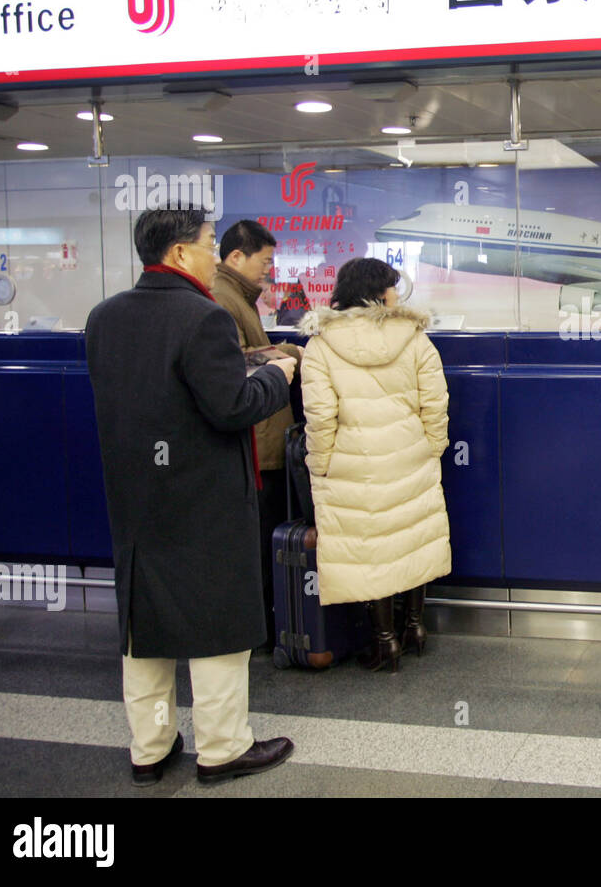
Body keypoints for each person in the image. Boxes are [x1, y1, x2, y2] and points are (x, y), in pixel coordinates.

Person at [85, 209, 297, 785]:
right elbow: (231, 408)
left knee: (145, 626)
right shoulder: (202, 317)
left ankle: (151, 746)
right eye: (206, 244)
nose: (212, 254)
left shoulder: (103, 318)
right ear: (179, 254)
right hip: (204, 498)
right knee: (218, 626)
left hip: (135, 496)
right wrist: (277, 375)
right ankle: (222, 747)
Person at [299, 258, 450, 673]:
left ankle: (385, 643)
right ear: (377, 294)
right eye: (392, 288)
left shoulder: (321, 344)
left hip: (353, 461)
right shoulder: (416, 338)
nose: (397, 296)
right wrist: (432, 447)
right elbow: (435, 402)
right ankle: (414, 628)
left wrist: (322, 464)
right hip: (409, 454)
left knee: (372, 549)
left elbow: (320, 415)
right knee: (411, 538)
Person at [211, 220, 301, 649]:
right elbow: (234, 364)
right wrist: (287, 353)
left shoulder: (237, 297)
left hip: (264, 438)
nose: (269, 269)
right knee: (259, 540)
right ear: (236, 258)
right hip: (255, 442)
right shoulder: (220, 298)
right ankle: (260, 631)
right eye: (264, 261)